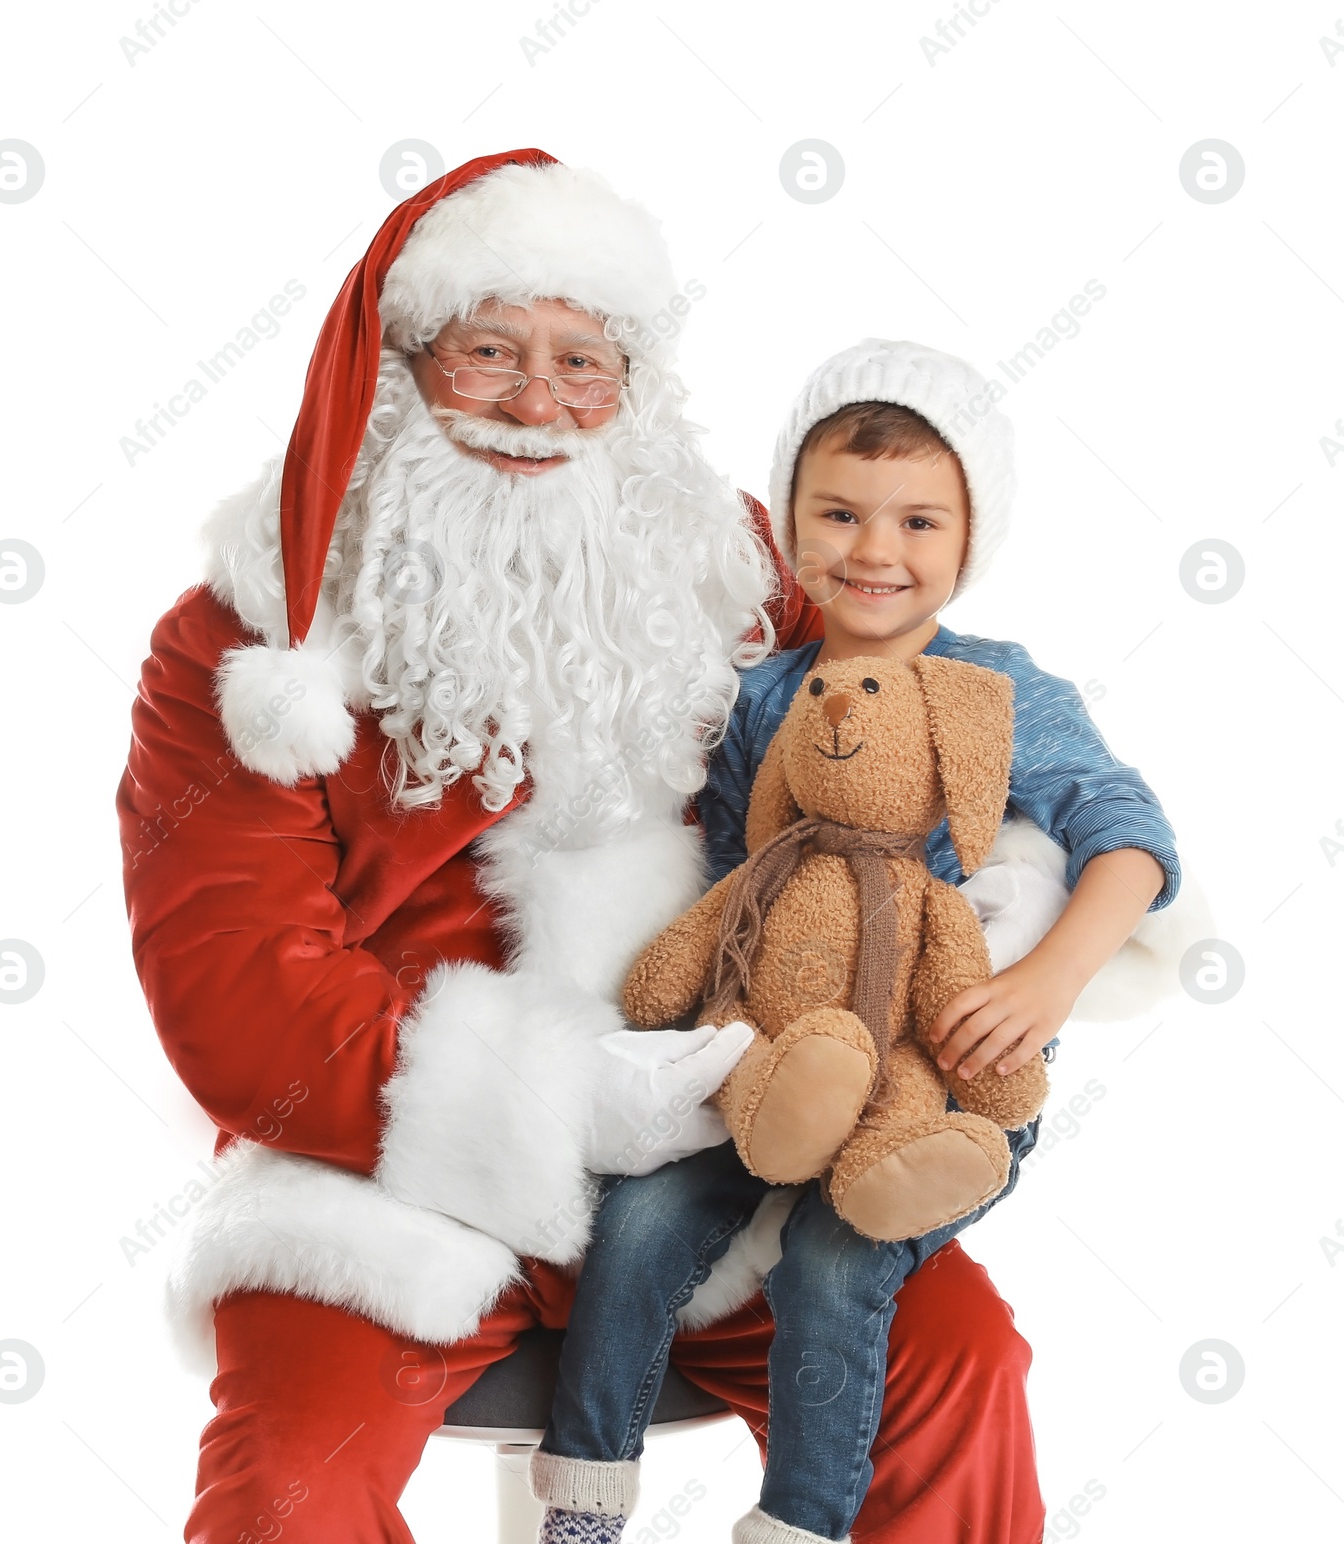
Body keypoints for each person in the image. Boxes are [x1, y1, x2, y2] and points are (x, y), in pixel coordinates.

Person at [119, 153, 1050, 1544]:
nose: (539, 406)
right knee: (286, 1487)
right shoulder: (247, 644)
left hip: (736, 1148)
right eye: (489, 352)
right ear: (400, 368)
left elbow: (910, 738)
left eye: (584, 362)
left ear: (638, 383)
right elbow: (238, 997)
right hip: (381, 1168)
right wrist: (568, 1100)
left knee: (955, 1366)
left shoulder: (737, 571)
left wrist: (1024, 894)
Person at [529, 340, 1183, 1544]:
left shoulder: (997, 686)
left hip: (930, 1067)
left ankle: (803, 1524)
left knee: (833, 1263)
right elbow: (738, 877)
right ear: (788, 524)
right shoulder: (766, 695)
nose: (874, 552)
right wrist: (711, 1022)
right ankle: (582, 1505)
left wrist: (1048, 974)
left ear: (968, 540)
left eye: (918, 521)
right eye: (837, 512)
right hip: (782, 1054)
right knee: (637, 1224)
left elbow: (1127, 833)